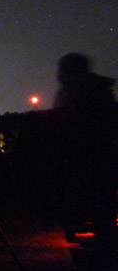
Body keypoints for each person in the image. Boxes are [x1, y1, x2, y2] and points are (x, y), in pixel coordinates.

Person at [54, 53, 118, 243]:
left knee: (100, 204)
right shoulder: (100, 90)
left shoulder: (84, 93)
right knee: (101, 206)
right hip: (98, 158)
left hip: (93, 158)